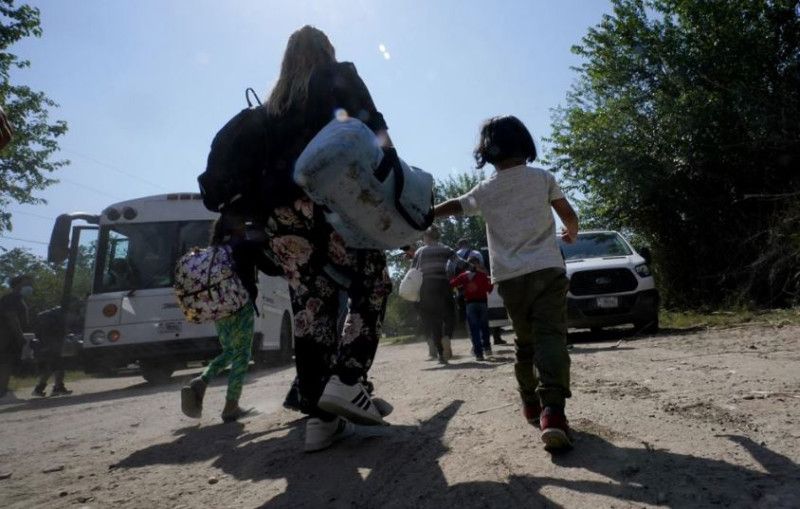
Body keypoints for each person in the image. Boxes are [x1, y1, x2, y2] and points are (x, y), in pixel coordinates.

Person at [259, 26, 392, 452]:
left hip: (281, 217)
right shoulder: (339, 75)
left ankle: (320, 420)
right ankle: (349, 379)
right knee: (372, 283)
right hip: (332, 202)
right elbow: (376, 131)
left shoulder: (273, 105)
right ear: (327, 51)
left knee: (309, 310)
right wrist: (392, 181)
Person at [434, 115, 579, 451]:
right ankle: (553, 413)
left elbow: (456, 206)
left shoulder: (486, 189)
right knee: (550, 337)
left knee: (525, 342)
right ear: (525, 144)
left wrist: (426, 213)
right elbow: (568, 215)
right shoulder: (542, 178)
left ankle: (530, 403)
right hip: (547, 270)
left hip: (511, 279)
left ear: (487, 151)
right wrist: (571, 233)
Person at [181, 214, 279, 422]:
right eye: (243, 222)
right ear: (238, 226)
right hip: (241, 307)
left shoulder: (214, 251)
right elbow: (272, 268)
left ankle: (202, 381)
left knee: (230, 351)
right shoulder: (246, 247)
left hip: (219, 309)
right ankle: (231, 406)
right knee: (242, 355)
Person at [413, 226, 458, 365]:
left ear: (427, 237)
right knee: (450, 314)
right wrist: (451, 272)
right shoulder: (446, 249)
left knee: (433, 321)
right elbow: (458, 262)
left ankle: (440, 354)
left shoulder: (420, 251)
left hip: (427, 287)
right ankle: (447, 336)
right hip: (443, 285)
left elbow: (413, 270)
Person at [450, 256, 493, 360]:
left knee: (474, 329)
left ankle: (479, 354)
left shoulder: (463, 276)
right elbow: (489, 289)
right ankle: (487, 348)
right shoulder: (483, 275)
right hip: (482, 303)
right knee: (484, 327)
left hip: (470, 304)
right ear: (478, 264)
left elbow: (451, 284)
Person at [31, 303, 76, 397]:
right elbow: (63, 330)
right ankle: (46, 388)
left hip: (49, 344)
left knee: (54, 367)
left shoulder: (52, 314)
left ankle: (54, 387)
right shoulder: (60, 315)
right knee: (54, 366)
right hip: (53, 345)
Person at [0, 275, 33, 398]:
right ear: (17, 285)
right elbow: (12, 318)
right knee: (5, 363)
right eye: (26, 284)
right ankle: (2, 390)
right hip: (5, 337)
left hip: (10, 337)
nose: (29, 287)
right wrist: (19, 335)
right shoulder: (11, 298)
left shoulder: (19, 299)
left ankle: (3, 388)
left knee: (7, 363)